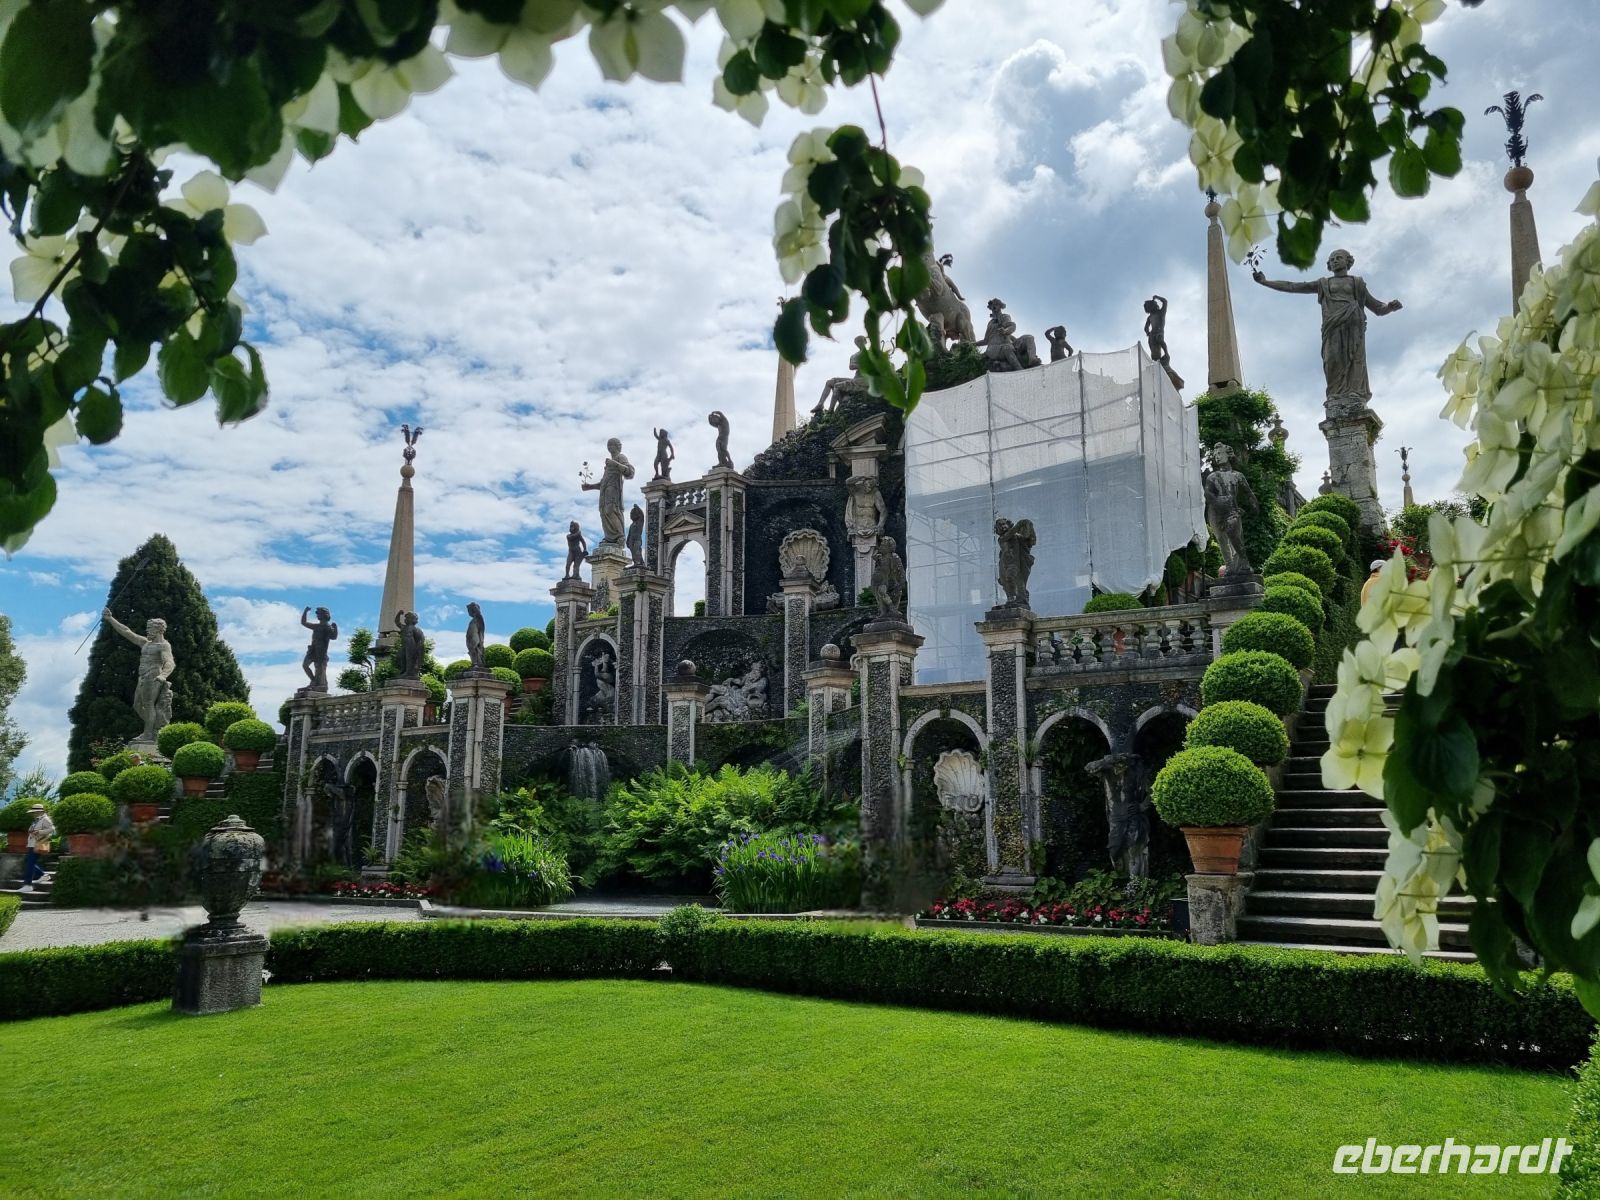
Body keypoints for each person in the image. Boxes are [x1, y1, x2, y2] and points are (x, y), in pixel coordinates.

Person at [20, 803, 55, 893]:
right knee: (28, 861)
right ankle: (43, 875)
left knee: (30, 864)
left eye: (34, 812)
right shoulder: (36, 820)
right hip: (32, 844)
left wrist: (39, 832)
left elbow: (52, 830)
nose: (33, 813)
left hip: (38, 843)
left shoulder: (45, 819)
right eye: (32, 812)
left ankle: (28, 885)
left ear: (40, 811)